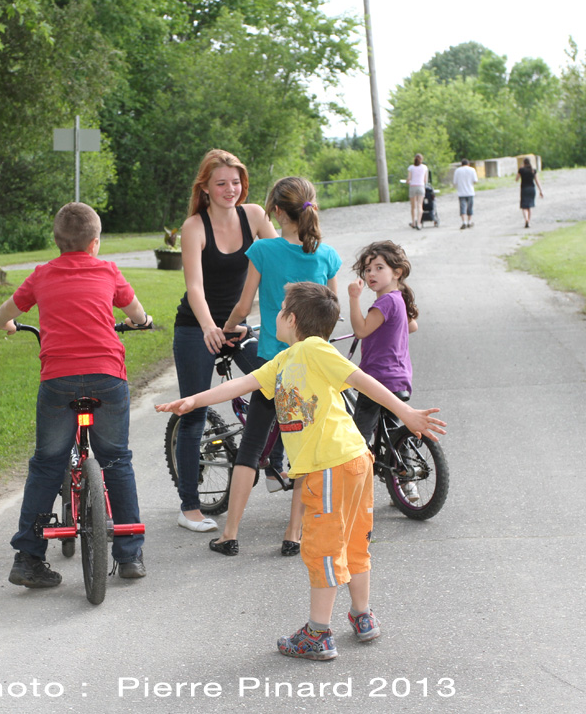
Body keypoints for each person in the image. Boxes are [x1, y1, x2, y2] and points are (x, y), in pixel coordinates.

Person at [156, 282, 445, 661]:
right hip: (351, 461)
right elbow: (239, 386)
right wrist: (194, 400)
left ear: (291, 319)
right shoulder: (283, 361)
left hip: (332, 466)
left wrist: (406, 413)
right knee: (354, 542)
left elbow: (362, 380)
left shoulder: (313, 350)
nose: (274, 317)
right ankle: (362, 615)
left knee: (323, 548)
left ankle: (318, 634)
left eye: (278, 311)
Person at [0, 202, 153, 588]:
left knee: (47, 463)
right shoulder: (108, 271)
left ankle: (28, 557)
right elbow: (137, 313)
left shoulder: (41, 275)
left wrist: (8, 324)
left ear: (57, 241)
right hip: (107, 377)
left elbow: (1, 316)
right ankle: (129, 555)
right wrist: (138, 322)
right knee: (116, 460)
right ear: (95, 243)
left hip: (59, 380)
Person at [211, 176, 342, 558]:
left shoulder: (263, 251)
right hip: (313, 366)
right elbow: (330, 311)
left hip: (274, 360)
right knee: (306, 447)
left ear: (276, 212)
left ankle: (230, 533)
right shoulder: (327, 255)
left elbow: (244, 304)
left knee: (251, 446)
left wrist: (228, 327)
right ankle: (293, 534)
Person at [172, 149, 279, 533]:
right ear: (205, 187)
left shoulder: (254, 216)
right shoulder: (194, 227)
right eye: (221, 183)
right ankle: (189, 507)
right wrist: (207, 327)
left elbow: (280, 262)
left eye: (236, 182)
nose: (230, 189)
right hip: (196, 327)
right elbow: (195, 288)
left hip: (238, 327)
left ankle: (273, 463)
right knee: (194, 410)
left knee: (279, 383)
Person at [347, 241, 421, 501]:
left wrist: (354, 299)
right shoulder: (398, 299)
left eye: (379, 268)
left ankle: (352, 491)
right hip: (399, 378)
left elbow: (361, 330)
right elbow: (411, 326)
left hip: (377, 380)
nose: (371, 274)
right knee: (393, 430)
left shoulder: (385, 303)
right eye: (367, 270)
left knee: (358, 436)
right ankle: (406, 481)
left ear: (396, 272)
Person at [515, 157, 544, 228]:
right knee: (529, 206)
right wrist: (541, 190)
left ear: (523, 163)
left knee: (524, 206)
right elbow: (537, 181)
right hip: (532, 189)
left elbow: (516, 179)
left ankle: (526, 219)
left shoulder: (521, 170)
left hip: (524, 189)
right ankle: (529, 221)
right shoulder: (533, 170)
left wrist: (520, 169)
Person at [453, 159, 478, 230]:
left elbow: (455, 182)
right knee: (470, 208)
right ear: (468, 164)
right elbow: (475, 181)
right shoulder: (472, 170)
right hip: (470, 192)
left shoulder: (457, 170)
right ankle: (469, 222)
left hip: (461, 192)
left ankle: (464, 222)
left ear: (461, 164)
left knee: (462, 208)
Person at [407, 153, 430, 230]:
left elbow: (409, 178)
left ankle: (413, 222)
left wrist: (407, 181)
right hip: (421, 187)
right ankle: (419, 223)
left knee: (413, 206)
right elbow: (425, 180)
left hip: (413, 187)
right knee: (420, 206)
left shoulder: (411, 167)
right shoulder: (424, 167)